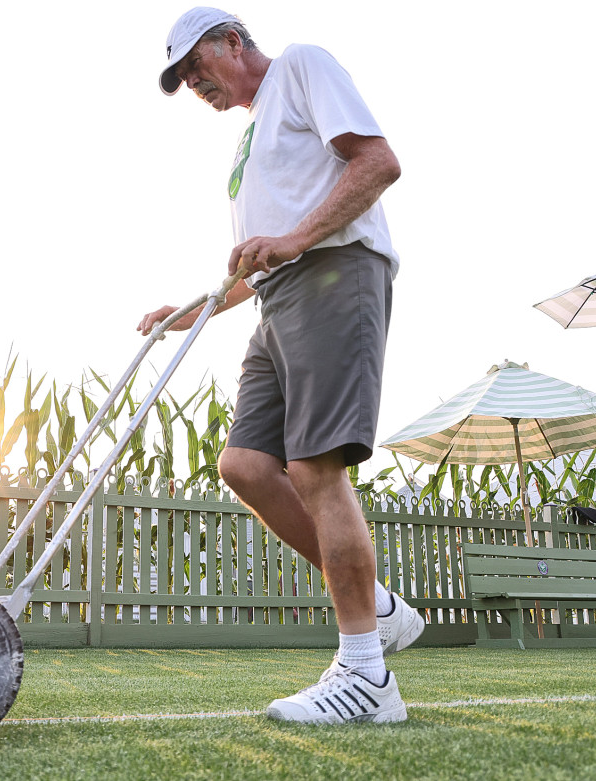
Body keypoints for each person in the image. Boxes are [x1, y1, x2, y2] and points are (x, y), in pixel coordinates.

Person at [138, 7, 422, 724]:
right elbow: (262, 257)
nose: (193, 83)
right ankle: (378, 604)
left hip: (334, 274)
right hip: (277, 298)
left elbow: (378, 163)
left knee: (315, 467)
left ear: (233, 41)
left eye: (196, 65)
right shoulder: (249, 135)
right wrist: (195, 308)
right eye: (183, 78)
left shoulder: (301, 65)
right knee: (244, 466)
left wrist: (295, 240)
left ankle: (367, 676)